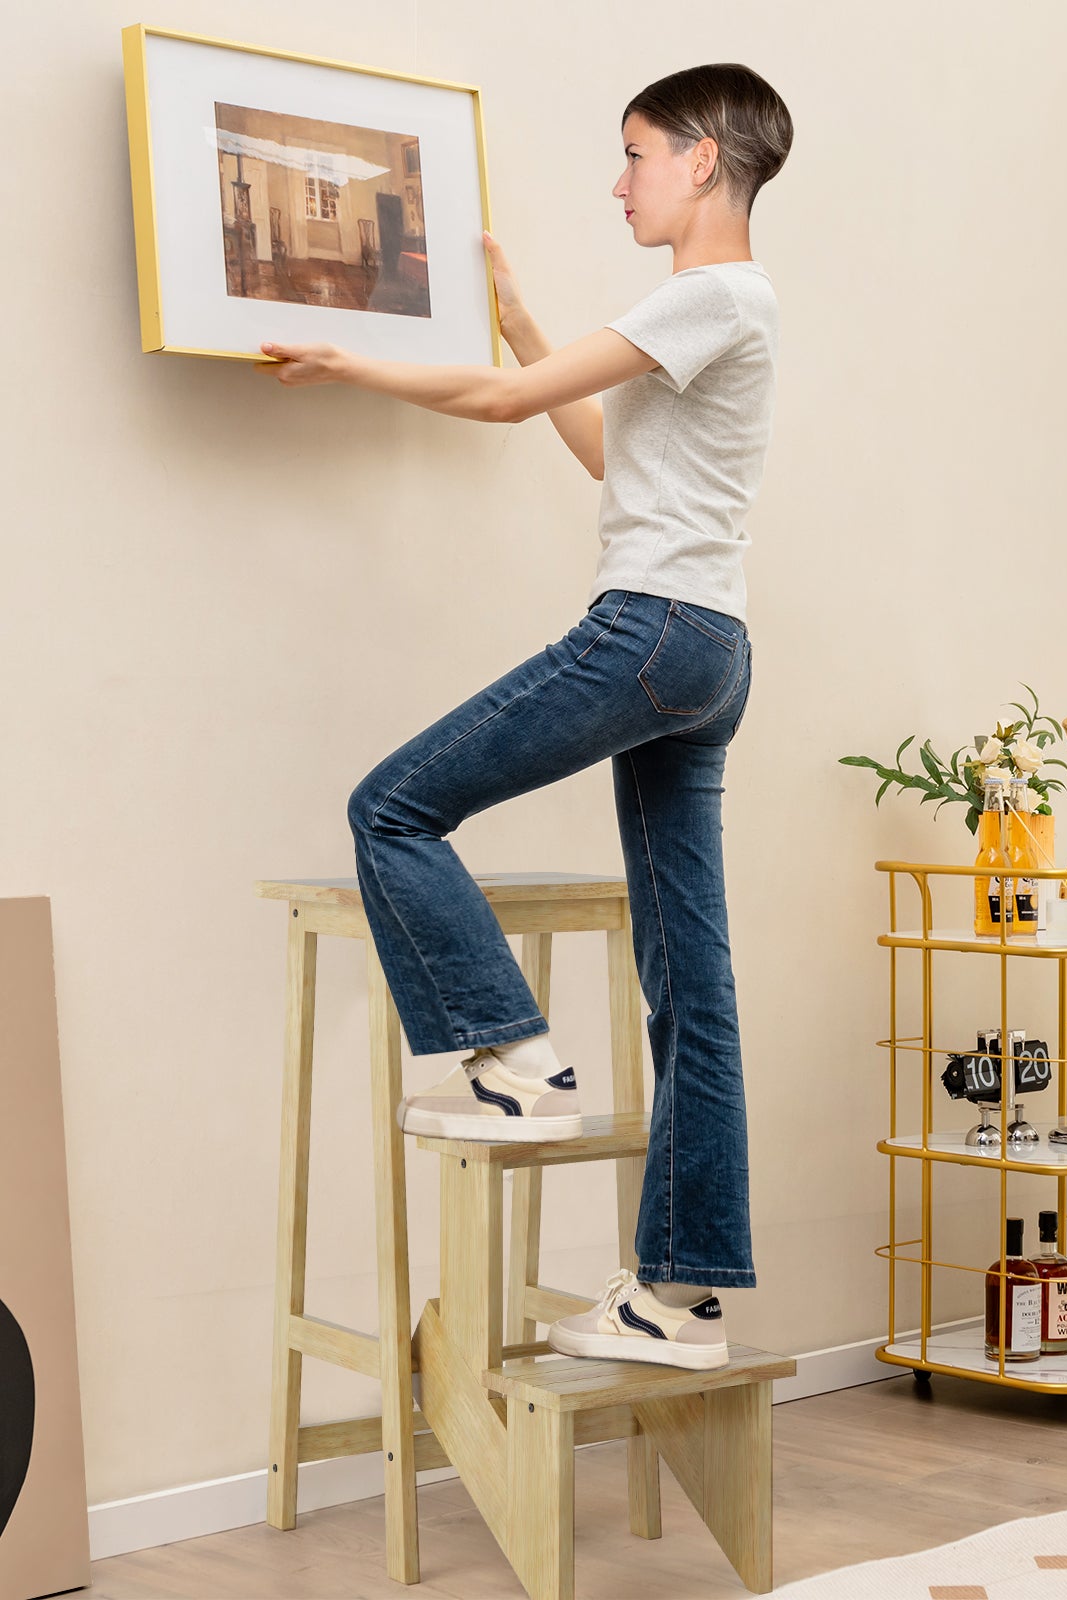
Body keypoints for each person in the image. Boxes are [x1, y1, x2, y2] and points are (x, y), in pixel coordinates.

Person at [257, 64, 792, 1370]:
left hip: (654, 633)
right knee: (692, 982)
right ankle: (678, 1296)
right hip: (710, 644)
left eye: (637, 155)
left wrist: (350, 358)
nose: (620, 182)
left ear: (705, 161)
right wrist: (523, 325)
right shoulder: (723, 311)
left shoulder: (710, 292)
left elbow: (505, 413)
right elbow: (608, 453)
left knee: (392, 808)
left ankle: (515, 1058)